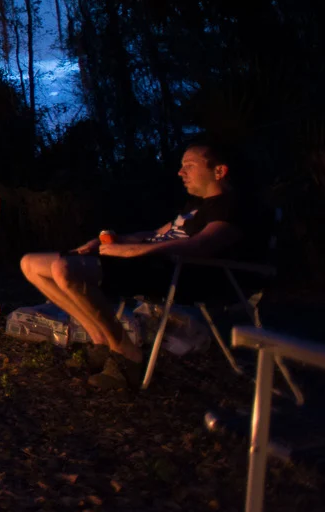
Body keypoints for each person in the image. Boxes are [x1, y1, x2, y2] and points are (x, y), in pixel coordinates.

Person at [20, 141, 254, 390]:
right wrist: (108, 241)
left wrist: (132, 252)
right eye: (181, 166)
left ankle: (126, 353)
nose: (180, 172)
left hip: (176, 273)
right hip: (150, 263)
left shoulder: (233, 206)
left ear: (219, 171)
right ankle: (100, 340)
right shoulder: (196, 206)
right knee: (30, 264)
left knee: (64, 269)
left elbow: (201, 246)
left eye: (189, 165)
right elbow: (155, 233)